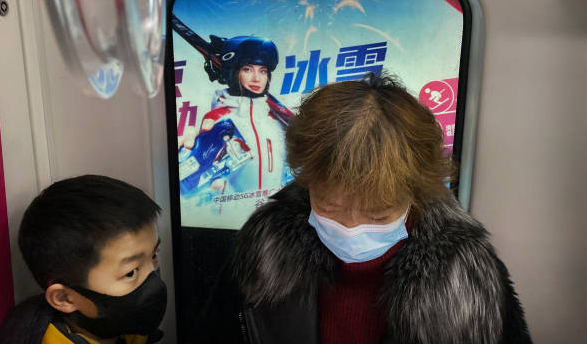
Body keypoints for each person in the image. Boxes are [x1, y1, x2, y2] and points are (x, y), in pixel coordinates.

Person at [197, 73, 532, 344]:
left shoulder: (468, 271)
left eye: (377, 214)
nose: (350, 228)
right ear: (307, 182)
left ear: (415, 193)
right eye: (328, 206)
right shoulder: (263, 247)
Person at [0, 175, 167, 344]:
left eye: (154, 256)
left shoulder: (125, 329)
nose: (154, 282)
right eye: (131, 273)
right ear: (65, 298)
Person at [179, 36, 294, 196]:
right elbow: (201, 168)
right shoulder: (218, 118)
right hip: (233, 212)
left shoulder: (277, 121)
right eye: (247, 69)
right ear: (234, 72)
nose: (256, 78)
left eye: (263, 71)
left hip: (273, 213)